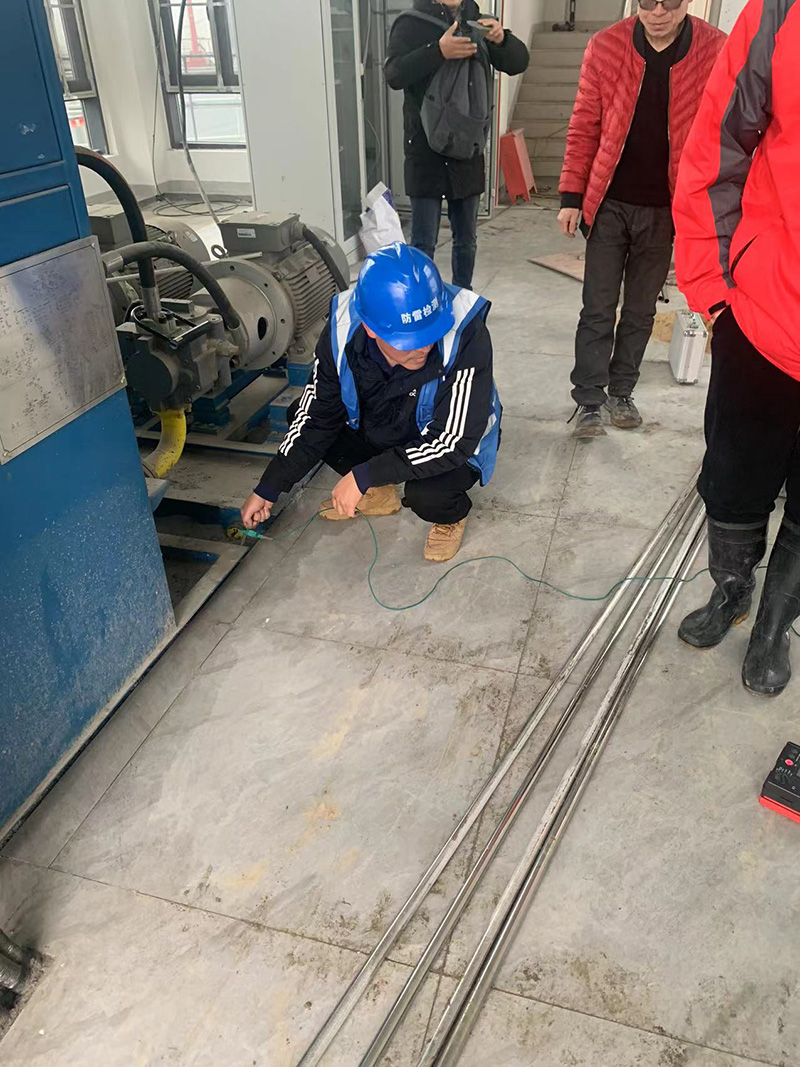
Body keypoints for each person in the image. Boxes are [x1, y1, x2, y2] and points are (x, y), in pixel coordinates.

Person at [673, 0, 800, 697]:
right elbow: (715, 150)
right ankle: (732, 590)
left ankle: (775, 624)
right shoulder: (780, 14)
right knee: (732, 479)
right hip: (763, 315)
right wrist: (715, 293)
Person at [241, 244, 501, 563]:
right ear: (371, 329)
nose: (424, 348)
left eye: (431, 334)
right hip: (392, 419)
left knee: (428, 495)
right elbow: (317, 417)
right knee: (304, 416)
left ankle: (450, 517)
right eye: (409, 341)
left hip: (450, 437)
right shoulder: (342, 331)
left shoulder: (467, 335)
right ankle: (380, 493)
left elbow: (453, 441)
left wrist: (363, 475)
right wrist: (269, 487)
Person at [558, 1, 725, 438]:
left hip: (667, 210)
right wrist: (571, 196)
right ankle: (589, 400)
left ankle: (622, 392)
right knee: (597, 308)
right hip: (609, 205)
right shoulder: (606, 46)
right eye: (648, 1)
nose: (658, 11)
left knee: (639, 310)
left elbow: (723, 132)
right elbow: (584, 124)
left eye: (670, 1)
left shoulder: (714, 50)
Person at [384, 1, 529, 290]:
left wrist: (502, 39)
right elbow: (394, 74)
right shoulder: (411, 23)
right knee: (423, 242)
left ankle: (463, 298)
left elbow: (518, 63)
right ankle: (423, 302)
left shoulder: (479, 24)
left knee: (466, 240)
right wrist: (438, 51)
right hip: (425, 150)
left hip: (467, 148)